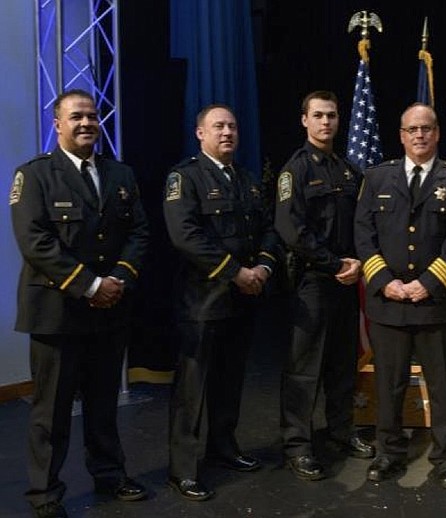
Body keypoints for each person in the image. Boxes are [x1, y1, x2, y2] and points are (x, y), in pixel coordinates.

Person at [9, 89, 149, 518]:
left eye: (92, 116)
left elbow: (139, 233)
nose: (87, 123)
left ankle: (109, 474)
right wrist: (90, 285)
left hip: (109, 310)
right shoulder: (34, 175)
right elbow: (35, 241)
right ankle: (45, 493)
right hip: (58, 312)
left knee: (104, 403)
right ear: (57, 124)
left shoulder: (119, 174)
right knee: (51, 412)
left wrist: (119, 279)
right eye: (76, 117)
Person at [354, 102, 446, 488]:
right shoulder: (377, 178)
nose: (419, 135)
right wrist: (382, 280)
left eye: (426, 128)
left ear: (437, 133)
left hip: (437, 303)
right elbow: (362, 232)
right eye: (412, 129)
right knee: (388, 385)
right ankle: (388, 452)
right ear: (401, 135)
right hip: (388, 301)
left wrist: (429, 281)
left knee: (441, 386)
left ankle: (445, 458)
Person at [163, 104, 279, 500]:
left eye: (232, 125)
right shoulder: (186, 177)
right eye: (218, 126)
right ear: (200, 133)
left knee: (229, 382)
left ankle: (224, 448)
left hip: (243, 300)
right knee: (192, 389)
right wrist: (237, 273)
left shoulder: (246, 181)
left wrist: (262, 268)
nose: (227, 132)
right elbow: (186, 236)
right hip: (203, 300)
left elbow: (267, 230)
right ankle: (183, 468)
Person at [274, 90, 375, 481]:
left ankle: (341, 429)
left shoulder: (349, 170)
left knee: (341, 362)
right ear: (305, 120)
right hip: (313, 281)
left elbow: (363, 225)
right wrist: (334, 264)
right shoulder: (294, 171)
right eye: (317, 115)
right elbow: (290, 229)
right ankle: (297, 445)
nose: (325, 122)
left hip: (347, 279)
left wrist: (358, 264)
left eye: (331, 116)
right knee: (304, 368)